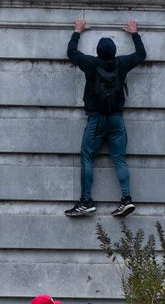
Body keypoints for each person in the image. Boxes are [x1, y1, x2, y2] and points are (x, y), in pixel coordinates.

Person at [65, 18, 147, 218]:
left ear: (99, 52)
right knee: (119, 158)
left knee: (87, 155)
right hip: (117, 119)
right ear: (114, 52)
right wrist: (134, 33)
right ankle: (126, 200)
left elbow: (72, 53)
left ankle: (86, 201)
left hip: (97, 119)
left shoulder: (91, 64)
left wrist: (77, 31)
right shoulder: (122, 64)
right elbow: (141, 55)